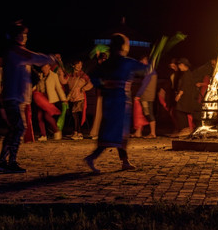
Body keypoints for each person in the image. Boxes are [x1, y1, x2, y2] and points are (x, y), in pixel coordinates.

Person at [0, 21, 56, 173]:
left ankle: (3, 161)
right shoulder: (16, 51)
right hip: (13, 97)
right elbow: (34, 57)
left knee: (15, 129)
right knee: (19, 128)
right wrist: (50, 58)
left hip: (16, 97)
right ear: (15, 36)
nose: (25, 37)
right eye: (22, 34)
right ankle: (11, 161)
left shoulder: (15, 52)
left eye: (26, 34)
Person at [84, 33, 148, 173]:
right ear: (123, 46)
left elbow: (93, 75)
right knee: (115, 132)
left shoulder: (108, 63)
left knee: (119, 132)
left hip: (110, 99)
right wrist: (151, 63)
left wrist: (102, 86)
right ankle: (92, 157)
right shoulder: (126, 62)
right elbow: (145, 69)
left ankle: (124, 161)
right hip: (120, 101)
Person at [60, 59, 93, 140]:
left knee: (76, 114)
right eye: (78, 64)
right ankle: (78, 132)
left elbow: (91, 83)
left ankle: (78, 132)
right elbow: (63, 81)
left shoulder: (83, 75)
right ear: (73, 65)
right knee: (75, 115)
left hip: (80, 97)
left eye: (80, 65)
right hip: (72, 98)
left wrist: (84, 88)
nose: (79, 66)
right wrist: (60, 73)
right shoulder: (70, 75)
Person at [34, 63, 66, 141]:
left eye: (47, 66)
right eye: (44, 66)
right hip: (40, 98)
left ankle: (57, 131)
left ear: (49, 67)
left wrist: (64, 99)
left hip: (50, 98)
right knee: (39, 117)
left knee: (47, 116)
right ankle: (43, 135)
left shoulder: (54, 76)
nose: (45, 67)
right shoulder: (39, 75)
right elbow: (36, 86)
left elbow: (58, 88)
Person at [172, 58, 199, 137]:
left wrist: (179, 95)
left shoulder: (187, 74)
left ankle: (186, 129)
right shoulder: (186, 74)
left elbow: (184, 86)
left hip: (185, 97)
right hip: (185, 97)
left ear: (183, 65)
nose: (179, 67)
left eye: (180, 65)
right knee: (181, 112)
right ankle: (185, 129)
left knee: (180, 111)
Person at [132, 55, 158, 139]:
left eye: (142, 61)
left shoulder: (149, 72)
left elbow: (144, 85)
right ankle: (138, 132)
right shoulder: (151, 71)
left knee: (148, 113)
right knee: (143, 113)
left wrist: (138, 95)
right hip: (148, 96)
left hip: (146, 96)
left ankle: (153, 133)